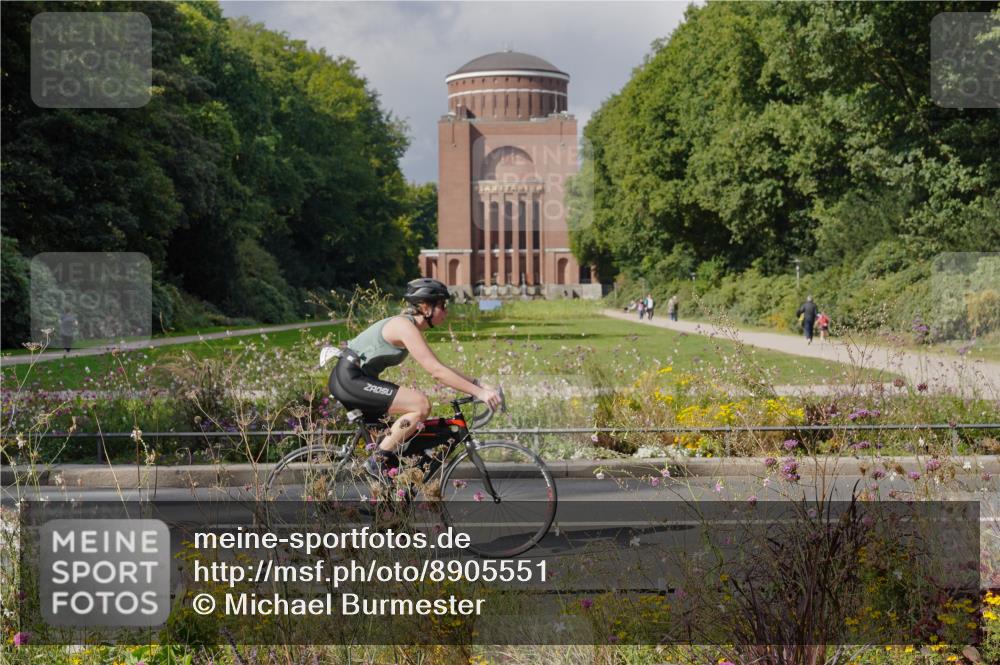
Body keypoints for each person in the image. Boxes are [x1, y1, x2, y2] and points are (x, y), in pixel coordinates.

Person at [327, 278, 502, 481]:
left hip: (355, 380)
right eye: (442, 305)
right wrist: (479, 393)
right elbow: (437, 372)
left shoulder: (409, 327)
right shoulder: (404, 326)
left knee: (398, 440)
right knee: (420, 404)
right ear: (426, 307)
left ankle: (386, 496)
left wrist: (479, 384)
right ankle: (375, 462)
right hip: (349, 379)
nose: (446, 311)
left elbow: (441, 366)